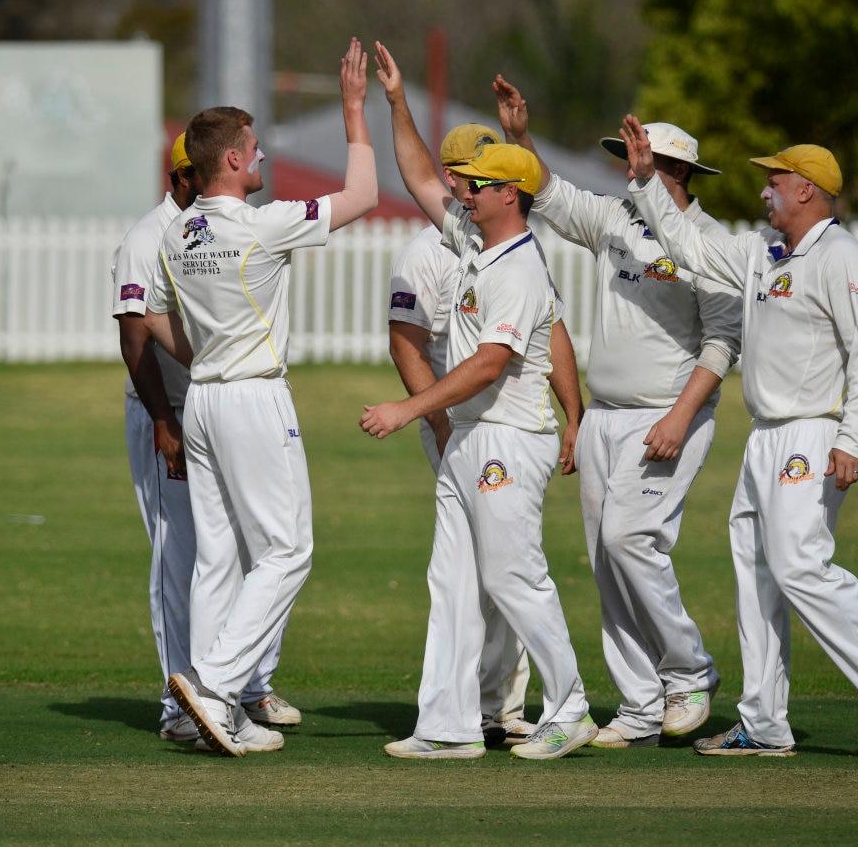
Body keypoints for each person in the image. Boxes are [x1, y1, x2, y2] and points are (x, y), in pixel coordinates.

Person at [621, 116, 858, 759]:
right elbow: (688, 247)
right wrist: (649, 181)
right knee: (757, 575)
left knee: (798, 565)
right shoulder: (763, 252)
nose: (764, 191)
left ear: (807, 192)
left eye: (775, 181)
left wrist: (855, 439)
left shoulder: (842, 257)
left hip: (813, 435)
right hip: (765, 437)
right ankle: (763, 722)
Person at [144, 38, 379, 757]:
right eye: (256, 149)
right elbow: (366, 195)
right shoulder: (260, 224)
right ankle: (214, 685)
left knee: (220, 556)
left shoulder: (176, 232)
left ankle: (208, 712)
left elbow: (156, 318)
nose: (265, 159)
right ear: (235, 161)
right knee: (287, 551)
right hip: (251, 399)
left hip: (206, 400)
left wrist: (204, 360)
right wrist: (352, 110)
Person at [492, 77, 741, 748]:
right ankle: (637, 707)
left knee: (634, 541)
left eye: (649, 163)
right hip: (605, 416)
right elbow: (547, 192)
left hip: (666, 415)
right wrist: (519, 135)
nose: (635, 172)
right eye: (632, 161)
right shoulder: (614, 218)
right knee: (607, 560)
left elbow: (722, 341)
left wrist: (680, 418)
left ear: (680, 171)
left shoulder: (708, 240)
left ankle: (690, 670)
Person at [363, 41, 594, 761]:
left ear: (510, 195)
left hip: (505, 439)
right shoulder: (472, 238)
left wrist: (409, 408)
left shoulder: (519, 269)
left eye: (480, 183)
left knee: (513, 578)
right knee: (454, 581)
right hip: (469, 439)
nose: (464, 190)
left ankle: (571, 707)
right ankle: (448, 726)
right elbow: (420, 174)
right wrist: (397, 99)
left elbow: (494, 361)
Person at [111, 133, 300, 744]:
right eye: (197, 174)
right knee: (181, 555)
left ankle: (238, 689)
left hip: (209, 407)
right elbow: (135, 336)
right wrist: (164, 418)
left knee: (239, 553)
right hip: (167, 411)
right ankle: (181, 707)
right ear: (182, 178)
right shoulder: (152, 237)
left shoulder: (213, 231)